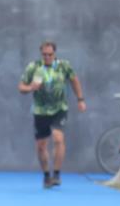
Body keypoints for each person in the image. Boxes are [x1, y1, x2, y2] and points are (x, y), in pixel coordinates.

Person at [17, 41, 86, 188]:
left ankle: (57, 173)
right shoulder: (33, 67)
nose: (47, 57)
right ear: (41, 54)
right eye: (44, 55)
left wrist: (80, 99)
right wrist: (30, 87)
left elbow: (74, 80)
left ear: (55, 54)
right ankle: (46, 176)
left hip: (59, 108)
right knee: (41, 145)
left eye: (50, 54)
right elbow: (21, 87)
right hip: (40, 110)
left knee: (58, 138)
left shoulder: (63, 66)